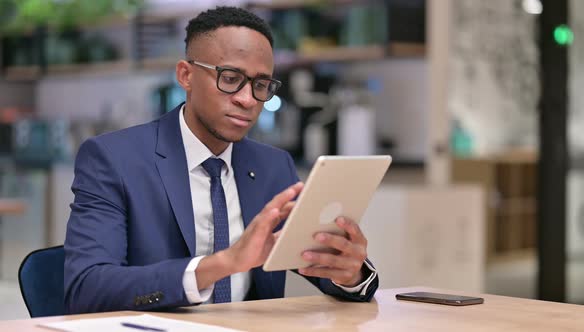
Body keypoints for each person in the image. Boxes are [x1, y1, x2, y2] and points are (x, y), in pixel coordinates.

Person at [64, 6, 378, 314]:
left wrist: (349, 274)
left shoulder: (272, 166)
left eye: (260, 85)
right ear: (185, 75)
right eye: (230, 78)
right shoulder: (113, 159)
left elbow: (318, 264)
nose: (247, 99)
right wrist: (223, 264)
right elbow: (87, 288)